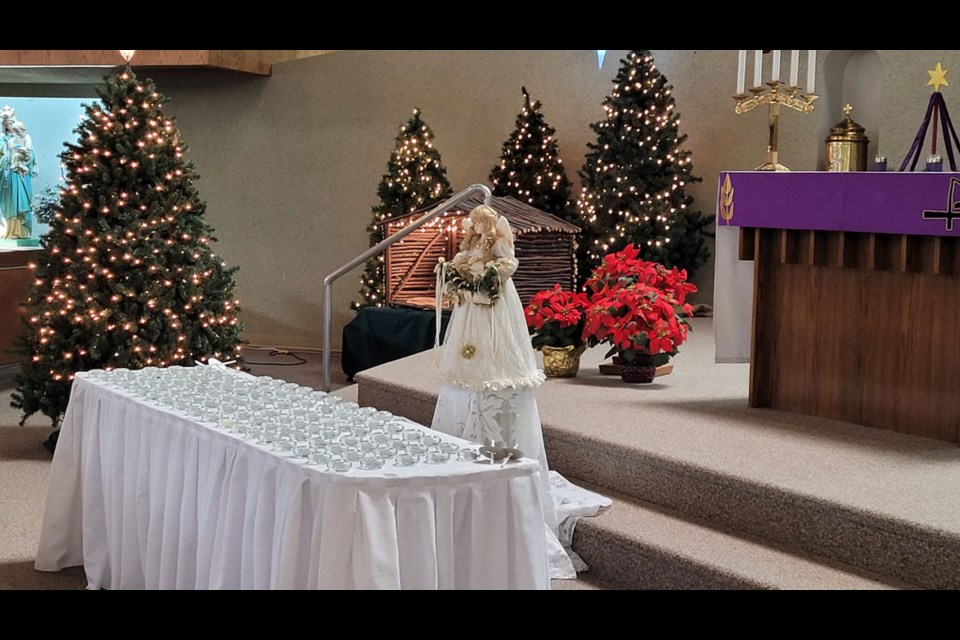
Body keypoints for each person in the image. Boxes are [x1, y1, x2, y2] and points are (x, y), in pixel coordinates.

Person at [432, 204, 583, 577]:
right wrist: (456, 273)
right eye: (475, 223)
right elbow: (464, 264)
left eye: (479, 222)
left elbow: (507, 266)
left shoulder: (499, 242)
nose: (475, 227)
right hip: (471, 315)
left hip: (494, 313)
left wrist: (484, 275)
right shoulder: (471, 243)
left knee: (496, 371)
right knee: (466, 377)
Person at [0, 114, 36, 240]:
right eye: (6, 124)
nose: (8, 127)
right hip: (7, 172)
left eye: (10, 124)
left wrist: (18, 152)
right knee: (8, 200)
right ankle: (7, 229)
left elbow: (30, 153)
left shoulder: (24, 137)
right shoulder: (4, 139)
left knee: (20, 198)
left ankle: (21, 231)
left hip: (19, 171)